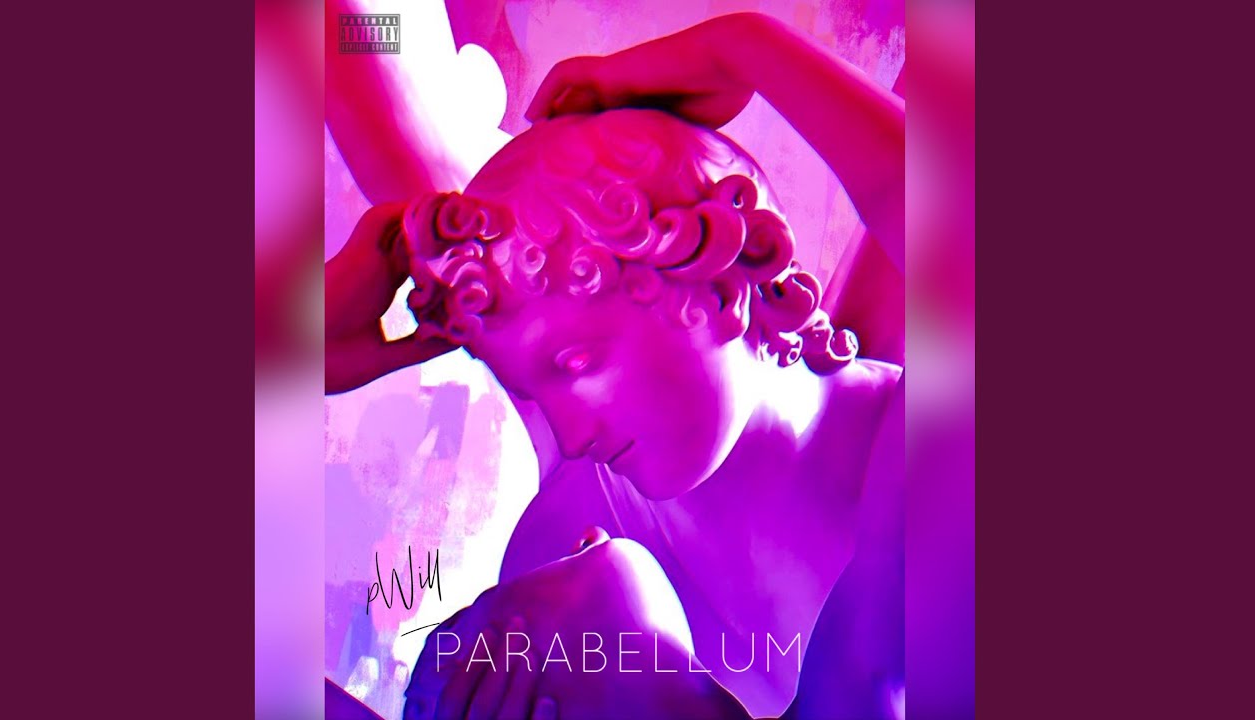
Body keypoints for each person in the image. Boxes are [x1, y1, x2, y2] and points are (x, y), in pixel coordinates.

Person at [326, 11, 904, 719]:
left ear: (724, 278)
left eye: (576, 361)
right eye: (533, 382)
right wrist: (744, 51)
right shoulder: (578, 530)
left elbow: (358, 35)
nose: (570, 432)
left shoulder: (568, 550)